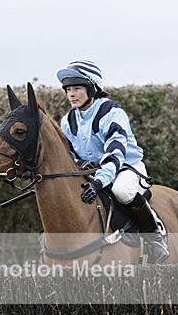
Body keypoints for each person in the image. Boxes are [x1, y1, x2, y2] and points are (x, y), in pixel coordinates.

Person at [56, 59, 169, 263]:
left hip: (125, 167)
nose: (70, 94)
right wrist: (81, 166)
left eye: (76, 88)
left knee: (121, 191)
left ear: (92, 89)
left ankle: (155, 235)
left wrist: (99, 180)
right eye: (67, 89)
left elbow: (115, 153)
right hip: (93, 172)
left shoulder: (112, 113)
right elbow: (69, 154)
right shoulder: (67, 121)